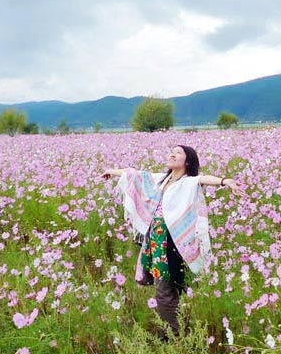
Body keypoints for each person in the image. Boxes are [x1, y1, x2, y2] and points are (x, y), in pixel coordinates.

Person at [102, 144, 244, 337]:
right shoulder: (162, 180)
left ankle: (173, 336)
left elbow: (204, 179)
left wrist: (225, 181)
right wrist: (112, 172)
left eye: (178, 153)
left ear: (187, 161)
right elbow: (135, 174)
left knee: (166, 289)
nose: (172, 154)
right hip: (156, 241)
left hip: (173, 243)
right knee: (170, 287)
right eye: (172, 151)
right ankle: (177, 331)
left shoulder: (188, 182)